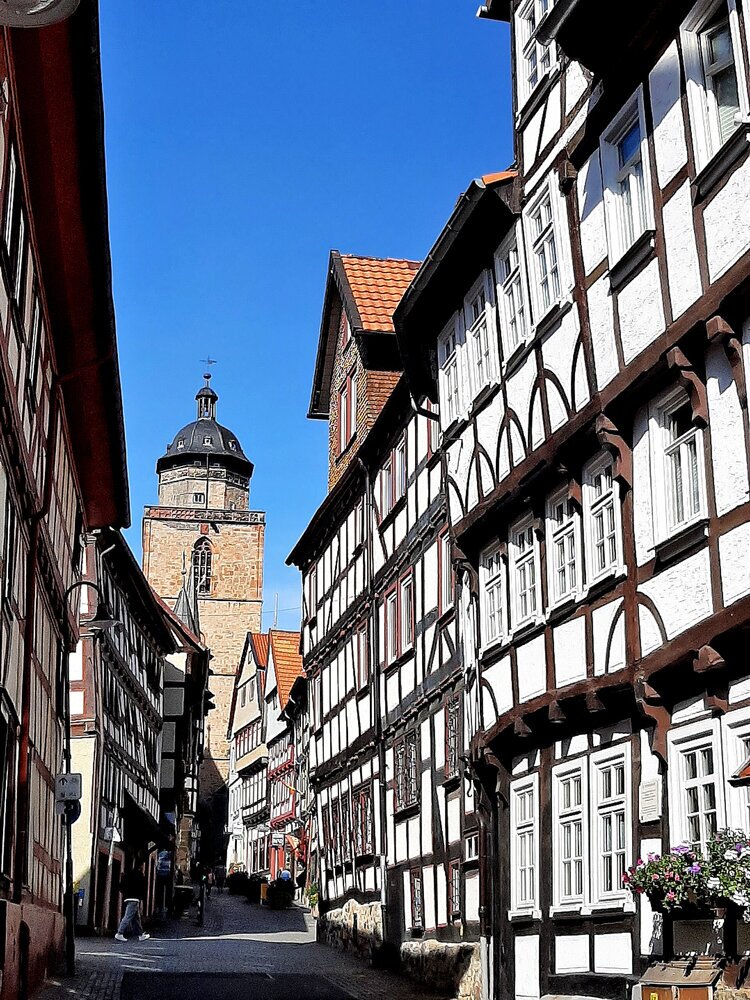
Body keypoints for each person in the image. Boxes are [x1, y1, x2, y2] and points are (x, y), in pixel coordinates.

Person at [115, 862, 150, 942]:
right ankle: (119, 933)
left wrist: (125, 893)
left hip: (127, 897)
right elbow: (143, 886)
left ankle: (140, 934)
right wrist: (142, 897)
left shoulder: (126, 875)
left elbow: (120, 886)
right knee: (128, 916)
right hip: (135, 898)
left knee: (136, 918)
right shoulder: (139, 875)